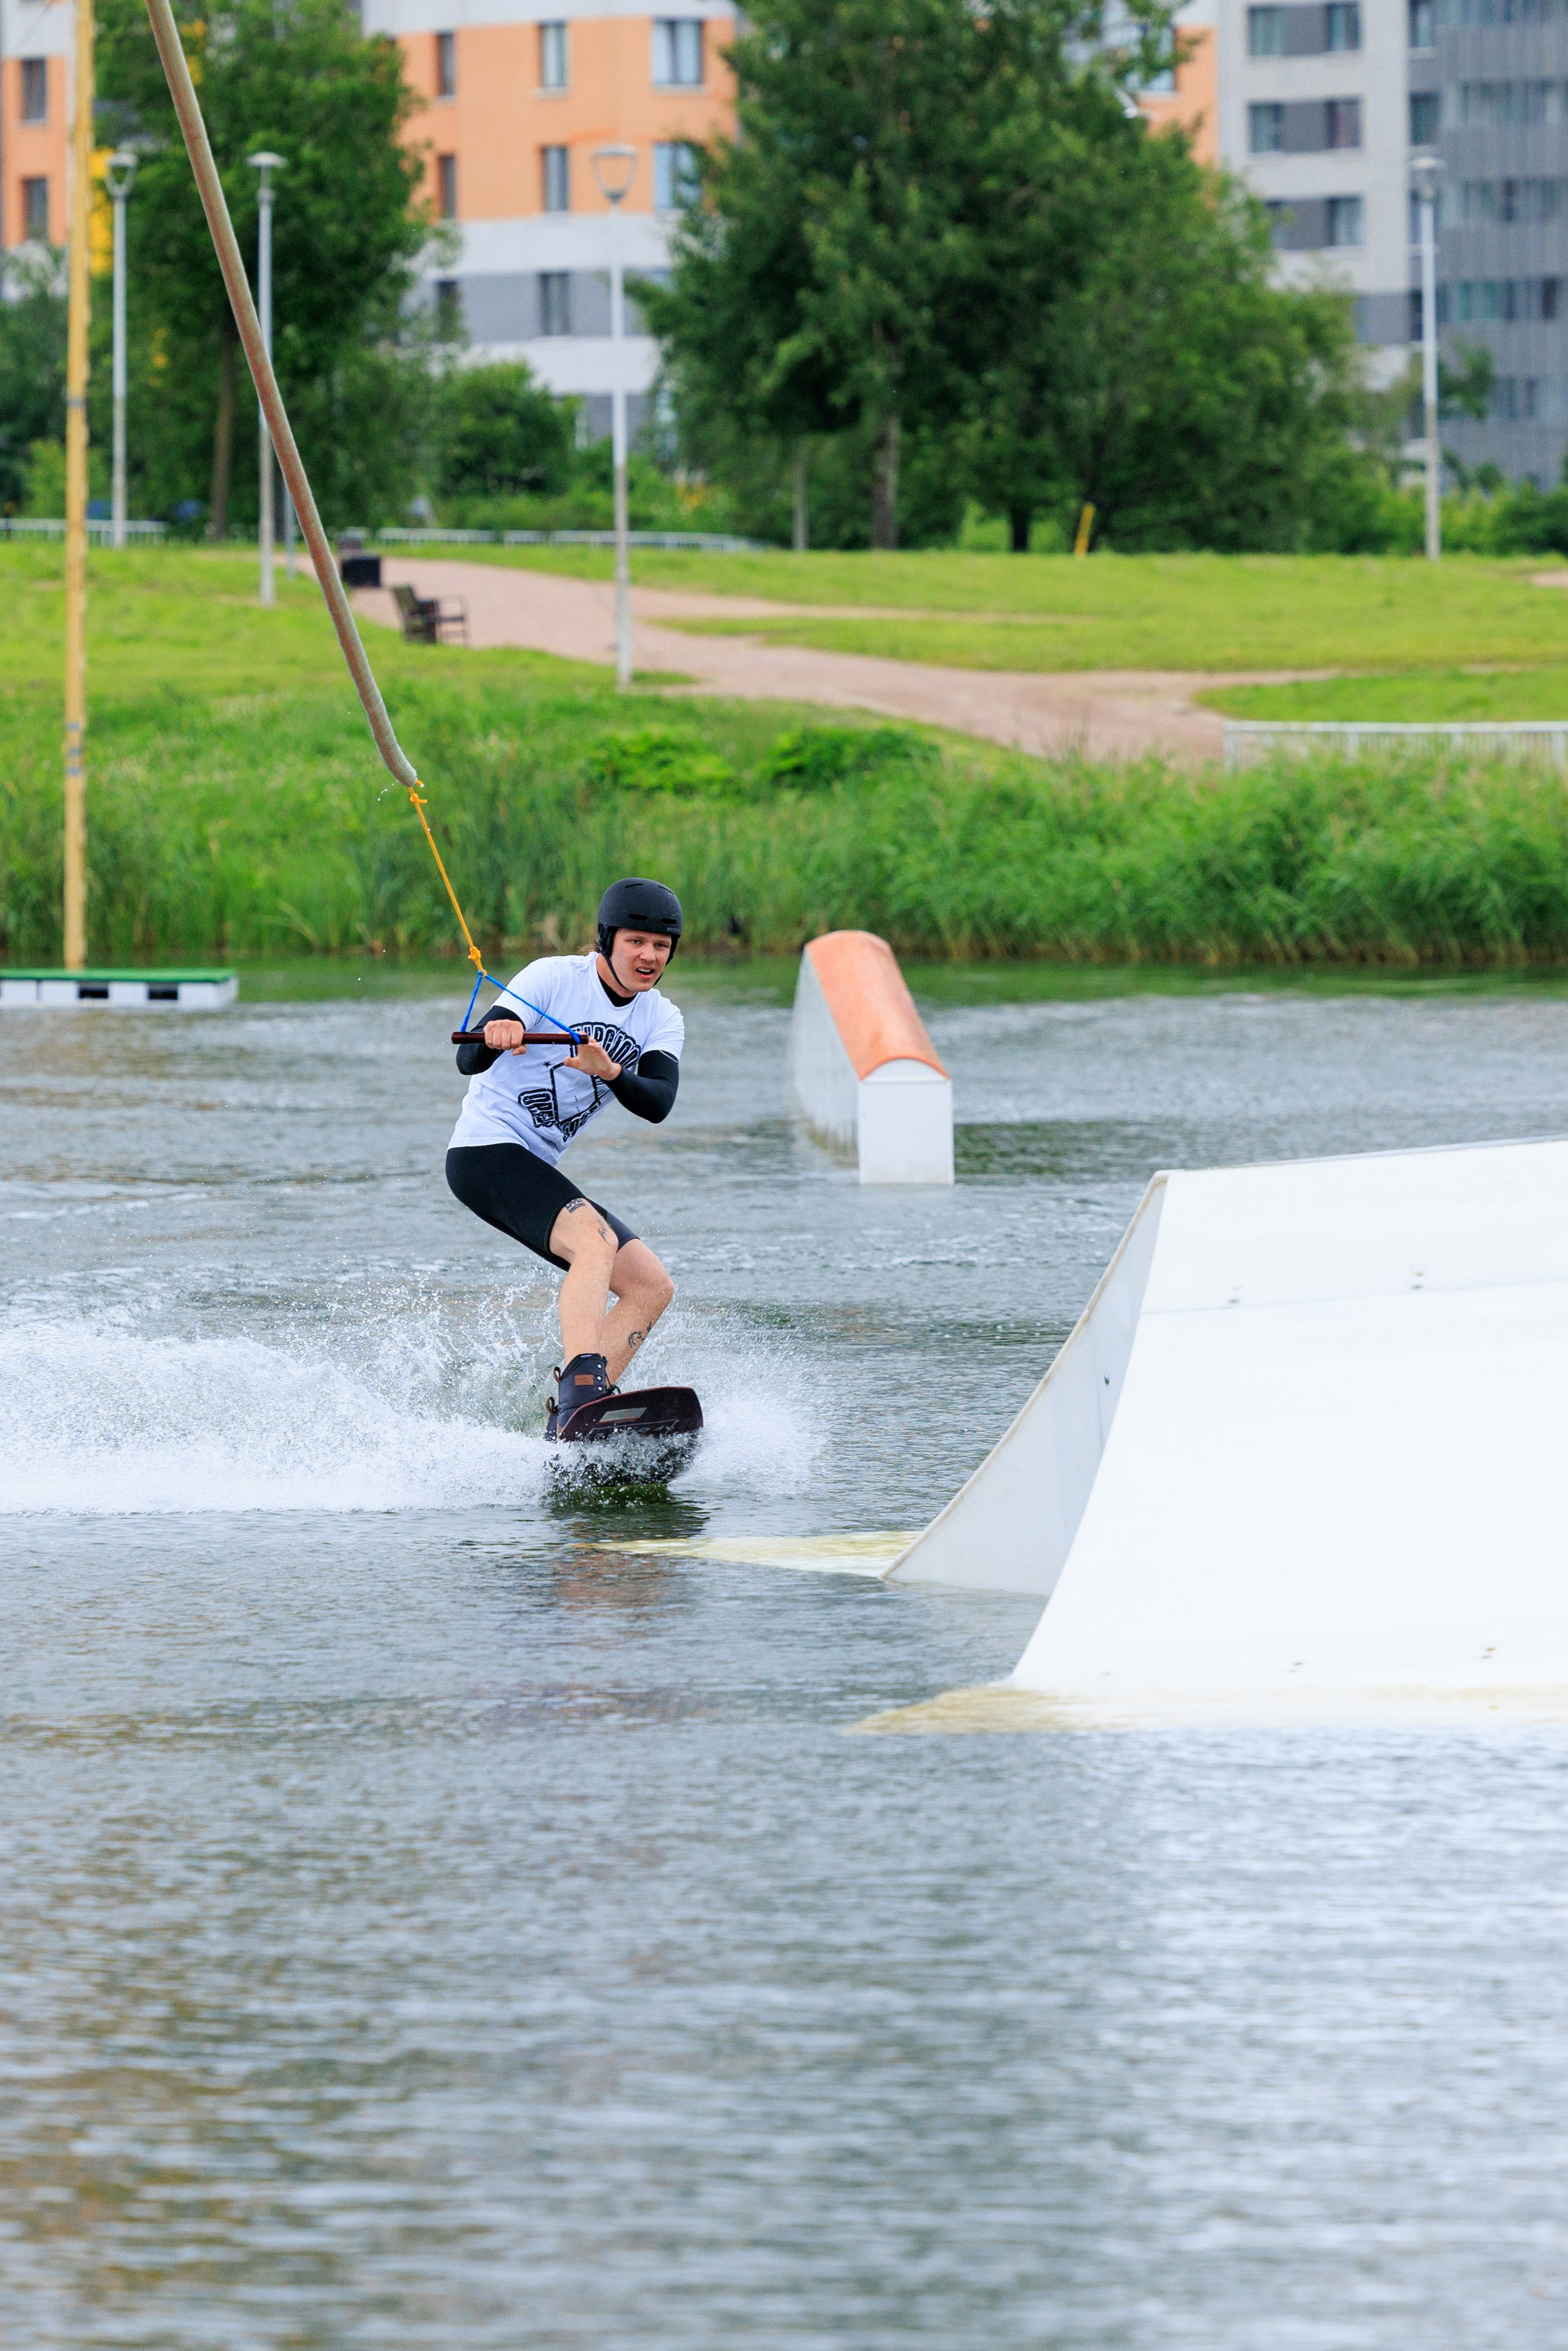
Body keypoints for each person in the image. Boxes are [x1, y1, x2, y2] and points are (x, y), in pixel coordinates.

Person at [445, 878, 685, 1437]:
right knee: (594, 1242)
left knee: (651, 1286)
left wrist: (612, 1071)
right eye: (636, 942)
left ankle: (573, 1422)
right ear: (607, 940)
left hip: (534, 1164)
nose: (649, 956)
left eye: (662, 945)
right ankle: (582, 1394)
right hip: (484, 1151)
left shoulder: (661, 1017)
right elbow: (467, 1060)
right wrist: (497, 1032)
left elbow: (659, 1103)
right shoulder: (552, 978)